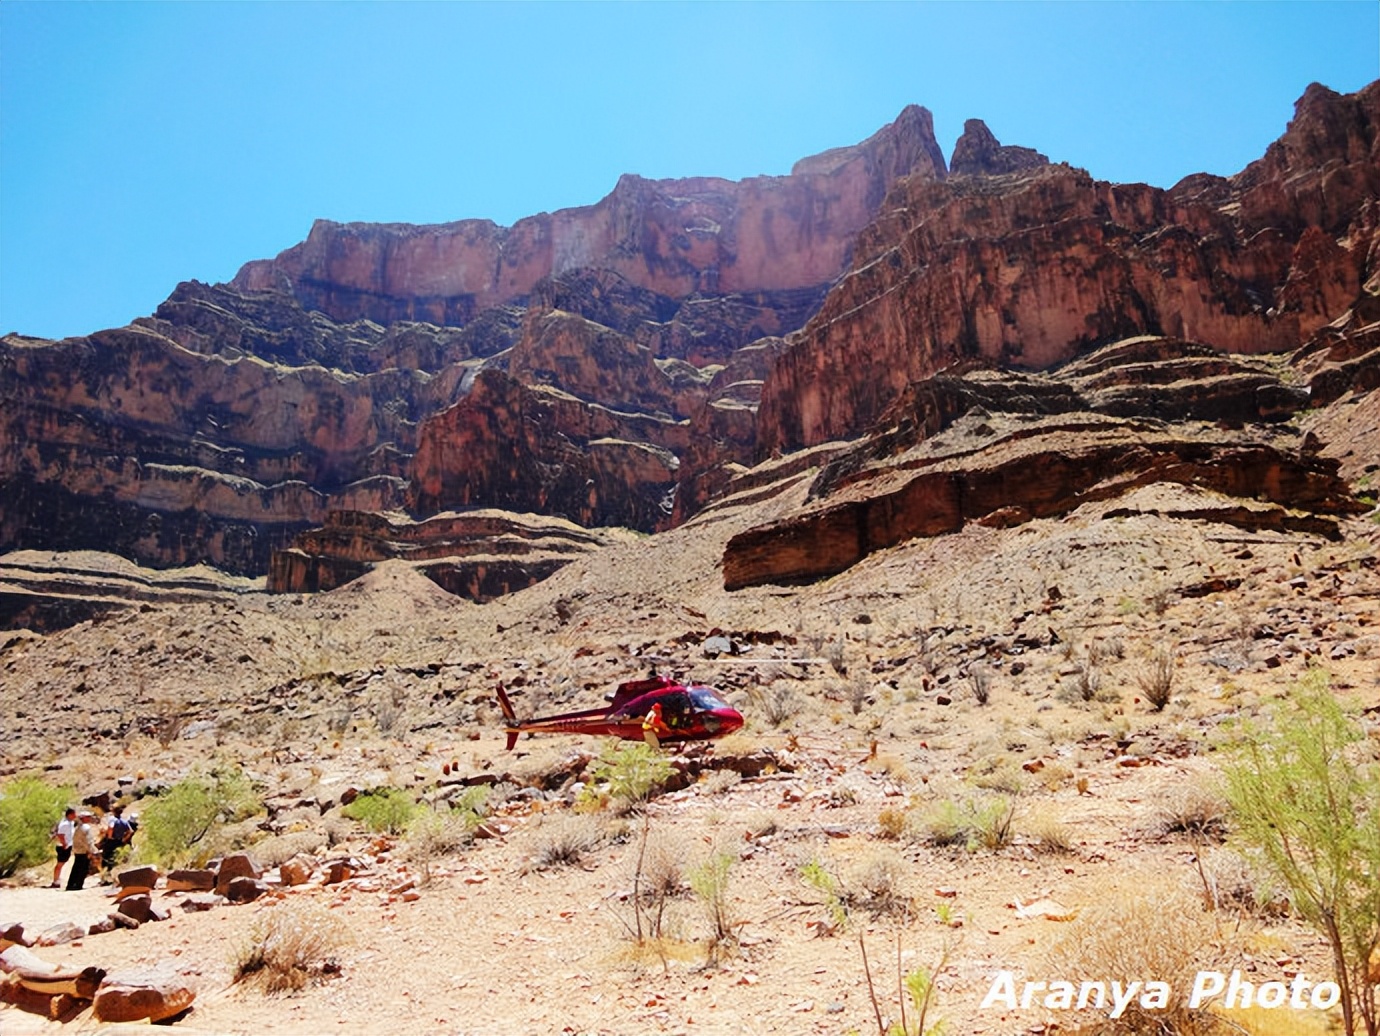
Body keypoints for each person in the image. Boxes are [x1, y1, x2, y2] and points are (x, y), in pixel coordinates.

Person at [65, 811, 97, 891]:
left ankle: (71, 884)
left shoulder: (78, 827)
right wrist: (91, 851)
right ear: (83, 818)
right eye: (88, 817)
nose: (89, 818)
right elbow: (88, 841)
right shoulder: (86, 828)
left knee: (76, 867)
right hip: (84, 851)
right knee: (83, 868)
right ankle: (78, 885)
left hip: (77, 850)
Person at [100, 805, 133, 876]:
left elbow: (111, 828)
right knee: (116, 856)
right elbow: (130, 831)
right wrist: (124, 839)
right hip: (119, 841)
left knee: (106, 856)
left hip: (112, 841)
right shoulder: (124, 821)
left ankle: (106, 874)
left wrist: (109, 837)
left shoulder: (113, 820)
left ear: (114, 812)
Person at [50, 807, 76, 888]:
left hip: (68, 845)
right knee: (60, 863)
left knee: (63, 862)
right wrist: (64, 844)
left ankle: (58, 879)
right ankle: (55, 881)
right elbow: (60, 835)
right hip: (63, 846)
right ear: (70, 814)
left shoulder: (71, 823)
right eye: (74, 814)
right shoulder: (64, 824)